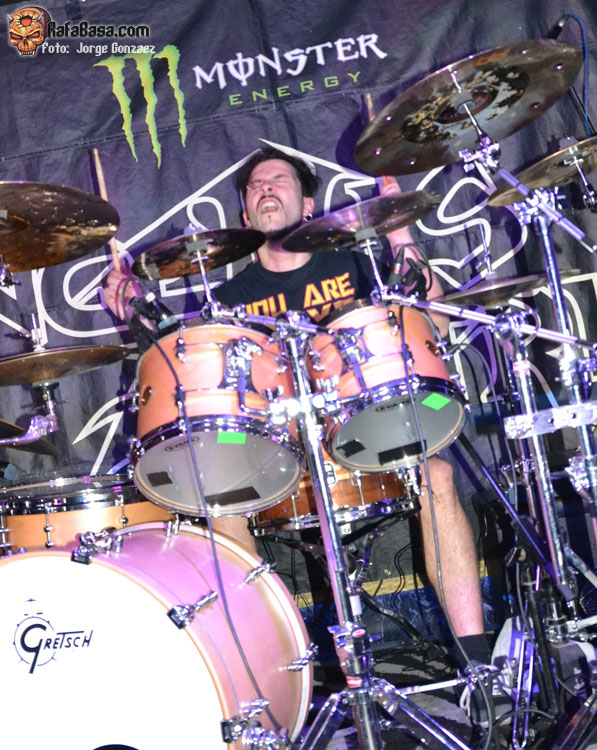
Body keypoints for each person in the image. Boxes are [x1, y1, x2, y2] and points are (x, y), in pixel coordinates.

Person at [104, 147, 496, 724]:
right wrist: (133, 315)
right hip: (278, 452)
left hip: (356, 435)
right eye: (255, 185)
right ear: (245, 214)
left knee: (435, 472)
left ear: (308, 204)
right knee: (221, 510)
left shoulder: (354, 266)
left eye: (279, 180)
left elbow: (432, 321)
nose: (266, 188)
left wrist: (400, 232)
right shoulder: (226, 303)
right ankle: (258, 689)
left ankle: (477, 667)